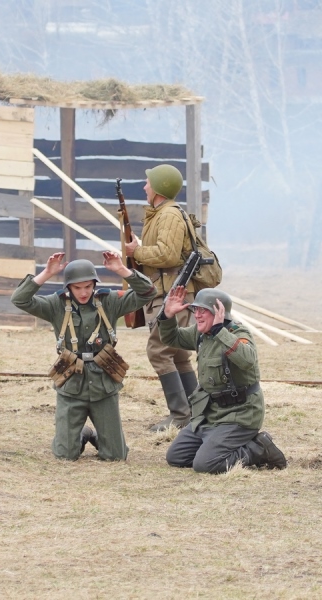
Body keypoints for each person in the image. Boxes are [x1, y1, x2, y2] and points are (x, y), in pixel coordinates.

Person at [11, 252, 156, 461]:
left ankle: (102, 438)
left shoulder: (109, 302)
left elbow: (148, 292)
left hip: (104, 382)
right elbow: (19, 299)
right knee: (64, 455)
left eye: (88, 286)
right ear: (68, 287)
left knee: (116, 457)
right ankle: (81, 435)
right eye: (78, 288)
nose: (83, 292)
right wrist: (47, 273)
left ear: (95, 284)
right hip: (71, 383)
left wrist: (121, 270)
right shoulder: (56, 305)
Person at [158, 287, 286, 473]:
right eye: (196, 310)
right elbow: (172, 338)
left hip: (239, 415)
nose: (198, 315)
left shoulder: (238, 333)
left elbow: (247, 360)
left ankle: (258, 448)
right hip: (209, 415)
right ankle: (215, 443)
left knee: (205, 465)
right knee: (176, 457)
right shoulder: (201, 333)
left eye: (204, 310)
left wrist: (220, 331)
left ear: (219, 312)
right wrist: (167, 316)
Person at [124, 164, 199, 432]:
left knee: (158, 350)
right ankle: (196, 413)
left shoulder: (168, 216)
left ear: (158, 188)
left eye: (148, 182)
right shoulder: (161, 215)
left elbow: (167, 256)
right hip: (169, 292)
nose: (144, 186)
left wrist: (138, 251)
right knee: (177, 353)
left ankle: (180, 416)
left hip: (171, 294)